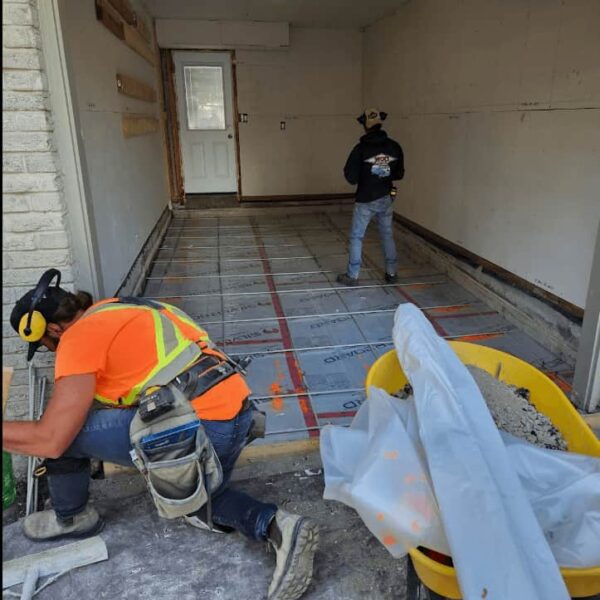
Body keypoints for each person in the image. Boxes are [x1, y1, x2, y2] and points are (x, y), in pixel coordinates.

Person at [3, 269, 319, 600]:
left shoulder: (77, 338)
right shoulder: (131, 308)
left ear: (53, 329)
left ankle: (72, 518)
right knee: (199, 503)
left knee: (63, 436)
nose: (51, 351)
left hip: (199, 427)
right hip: (237, 416)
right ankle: (278, 526)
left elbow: (49, 439)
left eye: (44, 345)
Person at [337, 108, 404, 286]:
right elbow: (399, 174)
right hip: (386, 197)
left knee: (357, 237)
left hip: (365, 200)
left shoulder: (360, 150)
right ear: (380, 123)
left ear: (365, 127)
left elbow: (350, 177)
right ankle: (392, 273)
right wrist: (382, 168)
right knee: (387, 235)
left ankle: (352, 275)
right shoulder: (394, 147)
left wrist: (368, 172)